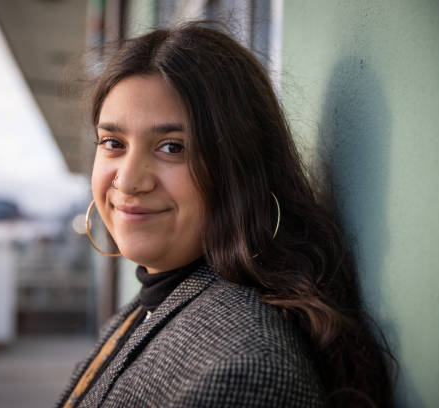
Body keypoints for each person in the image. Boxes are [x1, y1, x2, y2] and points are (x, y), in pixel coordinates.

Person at [57, 22, 394, 408]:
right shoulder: (150, 304)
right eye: (113, 143)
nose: (129, 181)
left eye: (172, 147)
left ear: (239, 168)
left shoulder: (244, 369)